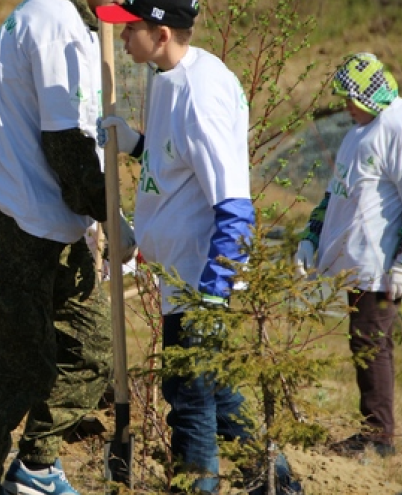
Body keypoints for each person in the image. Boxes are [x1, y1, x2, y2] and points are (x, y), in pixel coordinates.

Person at [97, 1, 301, 493]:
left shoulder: (201, 92)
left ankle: (197, 487)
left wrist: (214, 292)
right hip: (182, 276)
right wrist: (136, 144)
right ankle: (275, 483)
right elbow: (178, 160)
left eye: (131, 30)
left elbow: (232, 202)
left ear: (161, 33)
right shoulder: (166, 77)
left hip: (201, 279)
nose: (122, 41)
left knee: (189, 395)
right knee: (216, 390)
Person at [0, 0, 138, 492]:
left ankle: (36, 468)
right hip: (21, 215)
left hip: (54, 218)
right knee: (17, 363)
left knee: (89, 350)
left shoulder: (74, 24)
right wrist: (111, 216)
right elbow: (65, 144)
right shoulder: (53, 23)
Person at [295, 53, 402, 457]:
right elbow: (334, 192)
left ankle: (378, 437)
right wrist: (311, 237)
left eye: (349, 98)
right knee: (363, 342)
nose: (344, 106)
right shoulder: (359, 130)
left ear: (369, 95)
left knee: (371, 344)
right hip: (357, 262)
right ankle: (373, 432)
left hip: (381, 264)